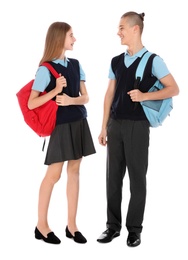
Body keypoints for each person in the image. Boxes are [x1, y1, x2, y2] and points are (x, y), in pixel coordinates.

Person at [97, 11, 179, 247]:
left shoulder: (154, 60)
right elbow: (109, 94)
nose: (118, 32)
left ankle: (134, 230)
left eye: (122, 27)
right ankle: (112, 227)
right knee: (112, 179)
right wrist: (103, 127)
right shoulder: (115, 61)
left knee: (137, 180)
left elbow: (174, 88)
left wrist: (145, 95)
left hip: (138, 127)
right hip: (115, 125)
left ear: (135, 29)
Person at [28, 21, 96, 244]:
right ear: (60, 38)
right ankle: (42, 225)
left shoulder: (76, 65)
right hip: (60, 127)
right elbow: (31, 103)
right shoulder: (45, 69)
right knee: (53, 176)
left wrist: (70, 100)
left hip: (79, 122)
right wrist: (56, 91)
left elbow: (86, 98)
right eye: (71, 35)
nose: (74, 39)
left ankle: (72, 225)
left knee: (74, 172)